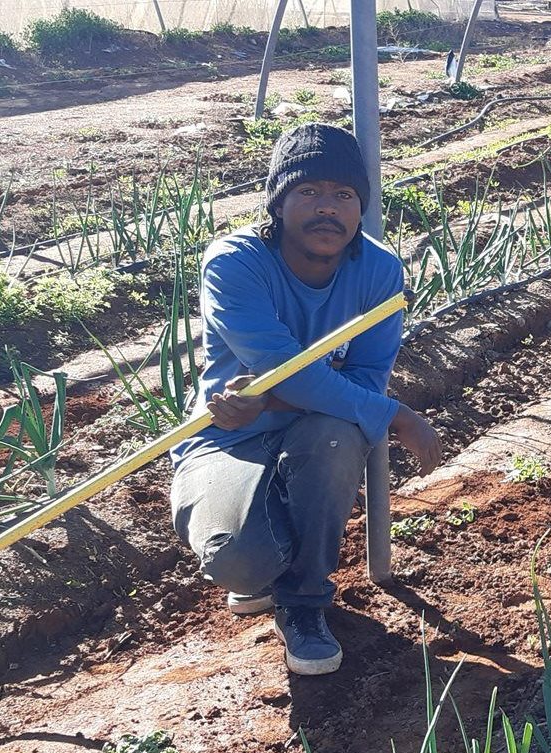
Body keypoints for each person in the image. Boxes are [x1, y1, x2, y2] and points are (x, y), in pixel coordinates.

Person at [169, 122, 442, 676]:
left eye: (344, 195)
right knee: (240, 563)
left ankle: (305, 602)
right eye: (308, 192)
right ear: (279, 200)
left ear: (360, 207)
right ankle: (266, 563)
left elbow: (365, 380)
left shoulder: (379, 270)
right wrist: (398, 416)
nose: (328, 209)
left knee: (338, 433)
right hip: (228, 437)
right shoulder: (236, 263)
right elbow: (280, 368)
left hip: (306, 426)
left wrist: (273, 403)